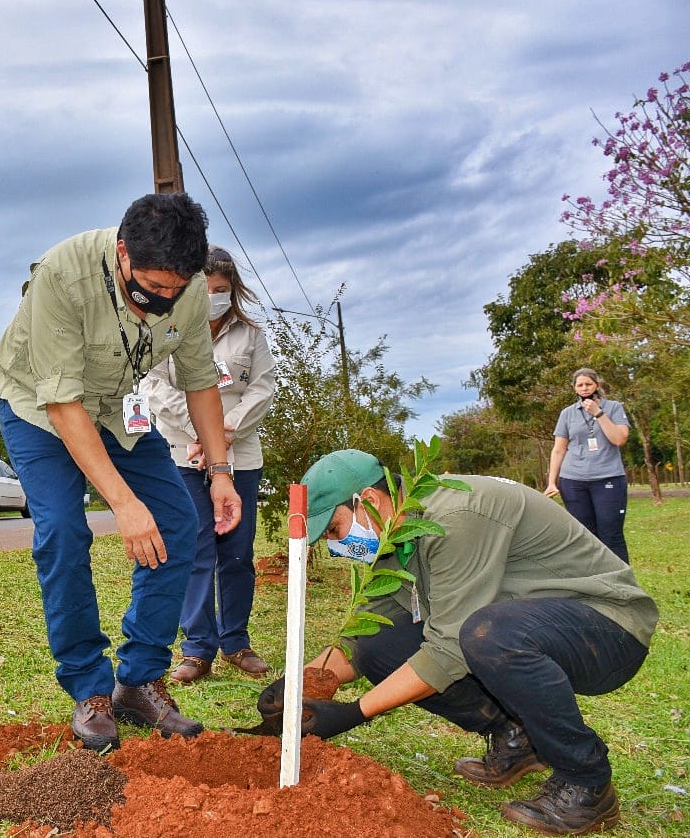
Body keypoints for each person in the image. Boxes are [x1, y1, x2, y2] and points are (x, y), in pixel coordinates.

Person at [256, 449, 657, 835]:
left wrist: (353, 713)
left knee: (486, 635)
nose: (335, 547)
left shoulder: (453, 517)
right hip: (525, 623)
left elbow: (449, 649)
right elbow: (365, 630)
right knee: (378, 644)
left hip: (606, 626)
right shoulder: (397, 532)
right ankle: (516, 738)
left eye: (334, 529)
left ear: (370, 500)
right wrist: (301, 683)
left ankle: (587, 784)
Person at [0, 193, 242, 753]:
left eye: (175, 293)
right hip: (40, 408)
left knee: (177, 522)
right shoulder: (64, 273)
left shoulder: (189, 285)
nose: (163, 303)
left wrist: (220, 472)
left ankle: (139, 681)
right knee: (62, 529)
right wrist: (125, 506)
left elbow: (200, 380)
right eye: (153, 289)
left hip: (115, 409)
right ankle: (90, 690)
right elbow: (63, 405)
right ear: (123, 254)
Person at [141, 245, 276, 684]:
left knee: (237, 553)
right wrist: (200, 430)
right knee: (195, 548)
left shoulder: (251, 336)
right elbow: (155, 388)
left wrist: (226, 430)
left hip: (241, 455)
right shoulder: (168, 329)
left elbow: (262, 390)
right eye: (206, 289)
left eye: (221, 290)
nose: (214, 296)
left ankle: (236, 641)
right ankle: (197, 648)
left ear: (232, 290)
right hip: (184, 454)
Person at [545, 368, 631, 562]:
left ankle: (622, 586)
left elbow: (619, 439)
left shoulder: (614, 408)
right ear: (574, 388)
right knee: (585, 537)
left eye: (588, 384)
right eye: (580, 385)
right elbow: (559, 449)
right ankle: (592, 586)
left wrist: (598, 413)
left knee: (611, 535)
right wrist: (552, 481)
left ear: (597, 386)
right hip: (573, 481)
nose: (584, 388)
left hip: (608, 478)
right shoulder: (567, 414)